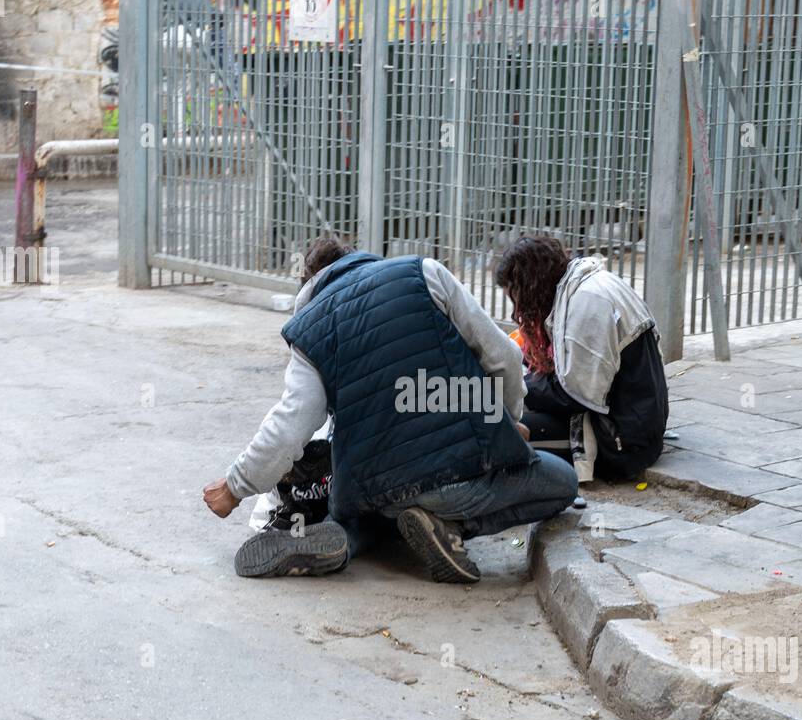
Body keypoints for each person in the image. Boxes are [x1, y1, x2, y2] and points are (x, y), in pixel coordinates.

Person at [202, 238, 578, 583]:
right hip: (458, 472)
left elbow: (290, 423)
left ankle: (345, 541)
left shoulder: (309, 331)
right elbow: (505, 358)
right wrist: (508, 422)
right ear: (359, 262)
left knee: (369, 506)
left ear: (308, 288)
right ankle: (449, 527)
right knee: (562, 482)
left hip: (370, 492)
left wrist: (235, 487)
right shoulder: (424, 273)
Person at [495, 235, 669, 482]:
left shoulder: (586, 302)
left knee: (498, 427)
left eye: (515, 295)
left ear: (532, 285)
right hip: (630, 418)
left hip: (621, 441)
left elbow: (573, 396)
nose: (517, 307)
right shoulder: (582, 286)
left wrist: (515, 385)